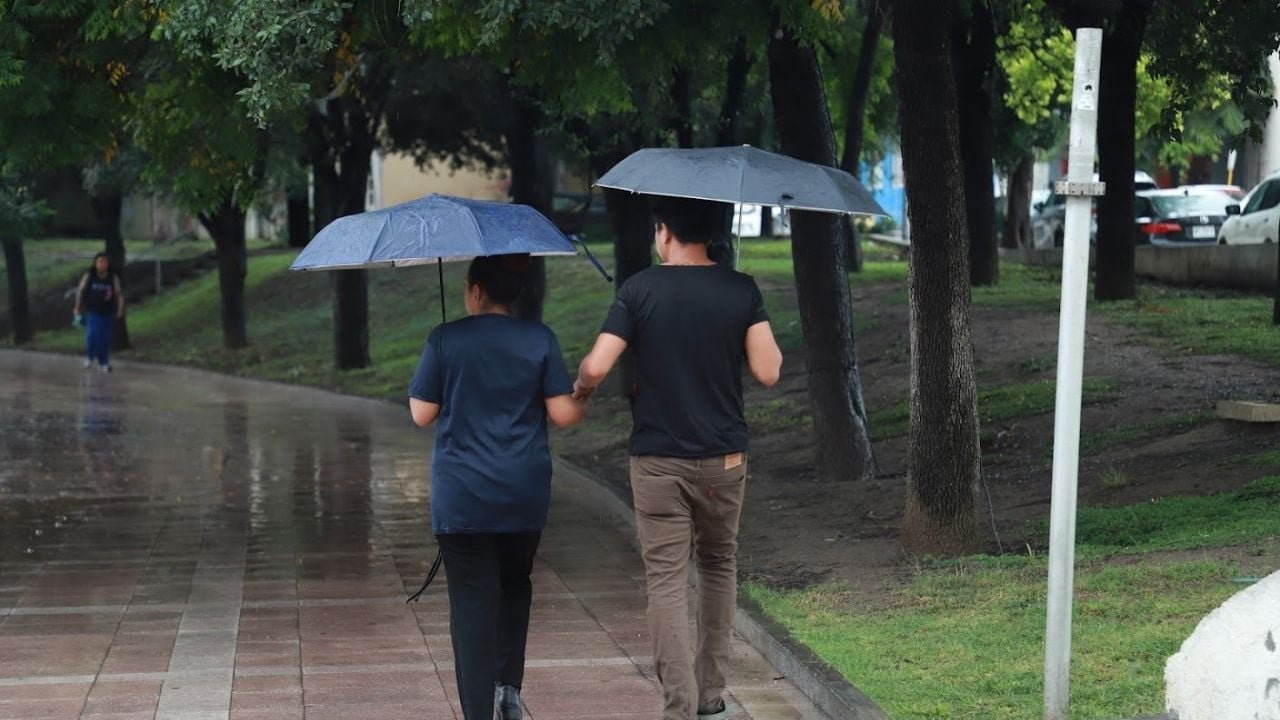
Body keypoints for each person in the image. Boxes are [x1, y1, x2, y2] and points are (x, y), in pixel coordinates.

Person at [573, 196, 783, 720]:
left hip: (657, 460)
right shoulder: (741, 289)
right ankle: (712, 700)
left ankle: (678, 706)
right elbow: (769, 371)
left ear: (665, 232)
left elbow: (597, 368)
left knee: (666, 577)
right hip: (724, 460)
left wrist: (581, 384)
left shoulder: (640, 288)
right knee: (718, 564)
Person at [408, 253, 585, 720]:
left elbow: (421, 414)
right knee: (513, 585)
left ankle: (477, 714)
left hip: (462, 497)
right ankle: (509, 690)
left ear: (476, 290)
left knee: (471, 603)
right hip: (522, 492)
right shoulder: (539, 338)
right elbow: (563, 415)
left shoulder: (445, 339)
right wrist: (581, 390)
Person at [74, 253, 125, 373]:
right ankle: (89, 357)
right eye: (99, 262)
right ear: (95, 263)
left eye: (104, 262)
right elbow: (80, 291)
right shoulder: (89, 276)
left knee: (105, 338)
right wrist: (77, 307)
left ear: (108, 264)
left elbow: (119, 294)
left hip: (109, 312)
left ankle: (104, 362)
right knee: (92, 335)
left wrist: (120, 309)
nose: (102, 264)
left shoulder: (113, 277)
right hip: (93, 311)